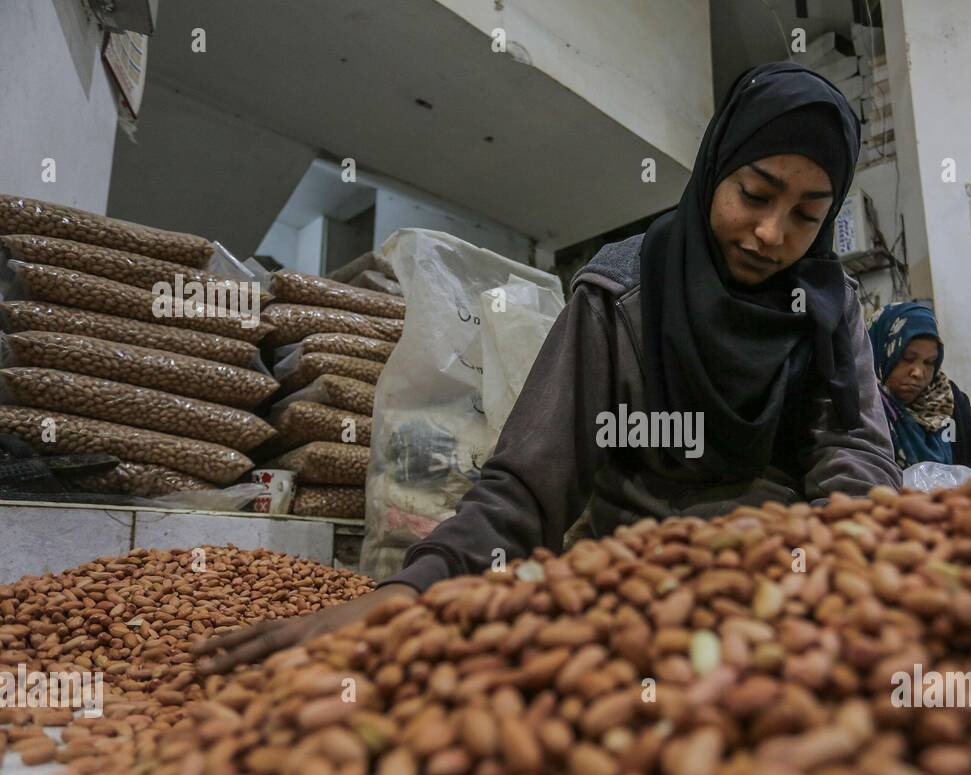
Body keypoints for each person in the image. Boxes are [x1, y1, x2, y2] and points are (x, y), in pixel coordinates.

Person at [194, 62, 902, 673]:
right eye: (754, 194)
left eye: (807, 215)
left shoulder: (827, 309)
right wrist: (407, 592)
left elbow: (854, 451)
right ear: (717, 167)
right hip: (633, 595)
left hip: (793, 596)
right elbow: (530, 484)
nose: (772, 233)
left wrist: (846, 560)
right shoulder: (622, 297)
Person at [867, 301, 971, 474]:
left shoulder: (945, 398)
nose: (918, 372)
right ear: (880, 352)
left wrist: (956, 487)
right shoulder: (864, 403)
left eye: (929, 362)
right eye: (908, 358)